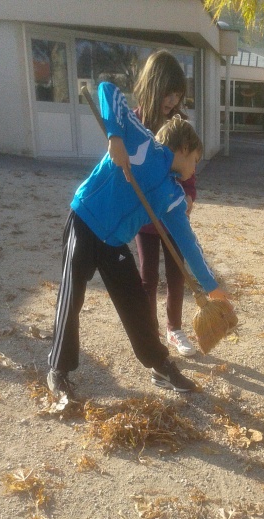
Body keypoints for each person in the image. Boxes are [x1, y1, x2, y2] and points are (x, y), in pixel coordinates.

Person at [47, 82, 232, 398]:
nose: (194, 170)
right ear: (184, 148)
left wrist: (212, 288)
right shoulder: (141, 142)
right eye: (195, 161)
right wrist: (115, 137)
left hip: (115, 242)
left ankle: (161, 366)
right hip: (85, 219)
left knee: (134, 303)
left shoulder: (172, 195)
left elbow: (187, 243)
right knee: (72, 293)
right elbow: (107, 91)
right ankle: (58, 369)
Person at [133, 51, 198, 357]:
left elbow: (189, 167)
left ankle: (174, 329)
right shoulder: (134, 125)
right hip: (144, 220)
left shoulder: (179, 125)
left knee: (177, 275)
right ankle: (150, 332)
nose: (172, 100)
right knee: (148, 278)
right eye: (168, 93)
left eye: (177, 95)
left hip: (172, 218)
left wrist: (188, 196)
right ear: (153, 85)